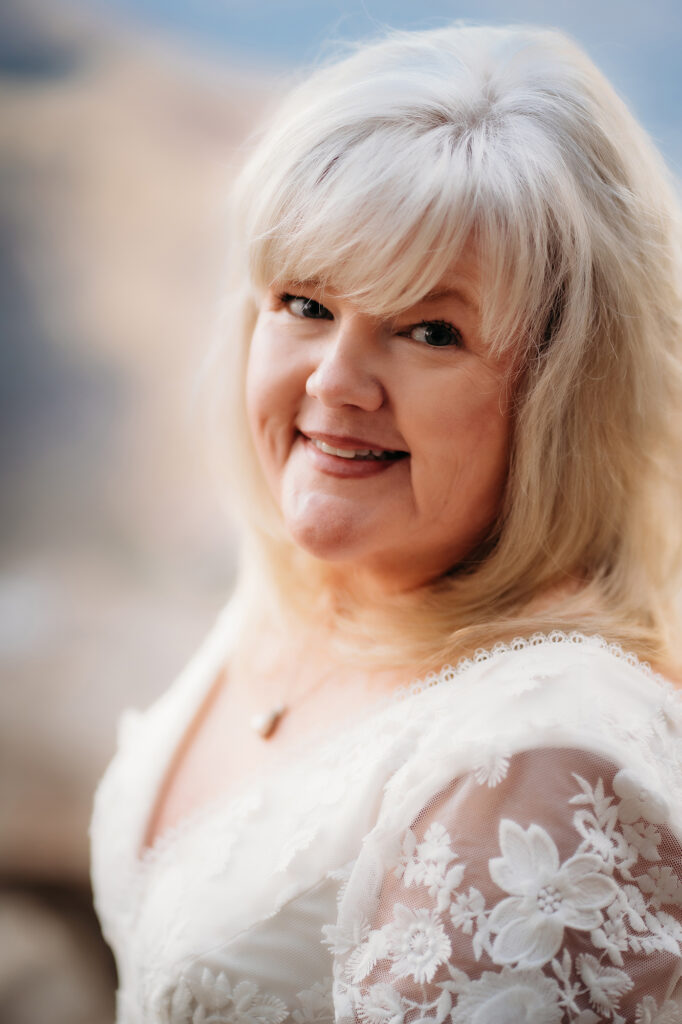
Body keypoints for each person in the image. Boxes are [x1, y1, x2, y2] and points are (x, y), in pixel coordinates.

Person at [90, 23, 682, 1023]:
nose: (333, 382)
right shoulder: (315, 577)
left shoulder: (541, 762)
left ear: (562, 395)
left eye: (427, 330)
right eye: (305, 303)